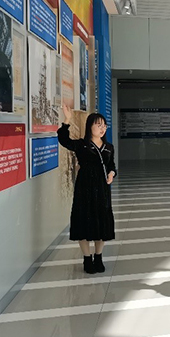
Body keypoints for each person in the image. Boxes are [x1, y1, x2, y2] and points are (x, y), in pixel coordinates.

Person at [58, 105, 117, 274]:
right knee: (83, 222)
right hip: (84, 188)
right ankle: (86, 258)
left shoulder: (109, 147)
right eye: (99, 125)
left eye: (104, 126)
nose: (102, 128)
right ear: (90, 126)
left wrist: (112, 173)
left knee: (101, 222)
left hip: (102, 189)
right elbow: (64, 140)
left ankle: (98, 256)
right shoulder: (82, 145)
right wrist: (67, 120)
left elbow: (111, 165)